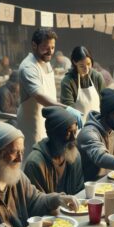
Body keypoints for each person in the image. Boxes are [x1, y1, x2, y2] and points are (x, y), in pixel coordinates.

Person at [0, 121, 79, 227]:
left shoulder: (16, 175)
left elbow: (35, 200)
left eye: (22, 152)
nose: (20, 158)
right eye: (14, 152)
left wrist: (57, 199)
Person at [17, 28, 82, 160]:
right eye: (46, 47)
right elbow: (40, 96)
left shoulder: (46, 63)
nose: (50, 51)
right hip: (33, 123)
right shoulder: (28, 67)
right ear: (34, 45)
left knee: (47, 160)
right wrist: (65, 109)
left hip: (48, 120)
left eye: (52, 47)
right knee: (33, 159)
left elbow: (50, 94)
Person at [24, 106, 83, 195]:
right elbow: (36, 204)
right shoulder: (35, 164)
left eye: (74, 132)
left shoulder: (74, 155)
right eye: (68, 133)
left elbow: (79, 192)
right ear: (52, 135)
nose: (73, 138)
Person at [60, 46, 105, 123]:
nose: (86, 69)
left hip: (97, 124)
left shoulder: (97, 77)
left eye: (89, 64)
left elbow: (104, 101)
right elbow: (68, 106)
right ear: (74, 62)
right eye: (82, 66)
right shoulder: (67, 81)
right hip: (77, 124)